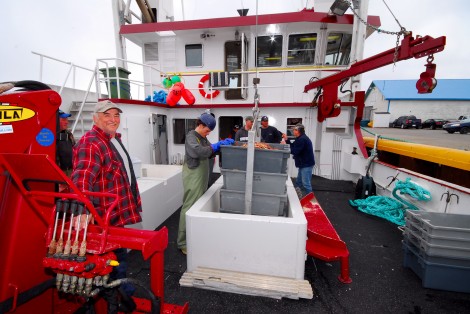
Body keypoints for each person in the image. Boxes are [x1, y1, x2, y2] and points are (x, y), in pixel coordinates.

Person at [71, 100, 141, 313]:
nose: (113, 119)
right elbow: (82, 176)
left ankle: (122, 290)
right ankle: (120, 296)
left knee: (119, 257)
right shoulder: (92, 142)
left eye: (116, 115)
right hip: (103, 219)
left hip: (115, 217)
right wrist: (81, 209)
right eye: (107, 115)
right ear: (95, 118)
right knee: (112, 261)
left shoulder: (110, 138)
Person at [177, 113, 234, 255]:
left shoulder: (203, 138)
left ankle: (194, 236)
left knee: (198, 205)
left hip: (202, 176)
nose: (208, 133)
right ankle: (182, 242)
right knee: (189, 206)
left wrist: (223, 146)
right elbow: (198, 152)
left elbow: (209, 152)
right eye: (207, 130)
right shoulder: (191, 136)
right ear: (200, 125)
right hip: (193, 175)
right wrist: (215, 146)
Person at [282, 124, 315, 198]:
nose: (293, 131)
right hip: (303, 164)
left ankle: (311, 199)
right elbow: (293, 146)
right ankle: (298, 196)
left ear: (299, 131)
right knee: (298, 182)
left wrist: (284, 145)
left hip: (306, 164)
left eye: (295, 130)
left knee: (306, 183)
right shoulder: (299, 138)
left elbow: (295, 151)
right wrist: (287, 139)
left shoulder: (302, 139)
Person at [56, 110, 75, 177]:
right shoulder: (49, 136)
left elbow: (75, 149)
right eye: (63, 119)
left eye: (67, 119)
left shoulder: (69, 134)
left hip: (70, 171)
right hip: (58, 172)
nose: (67, 122)